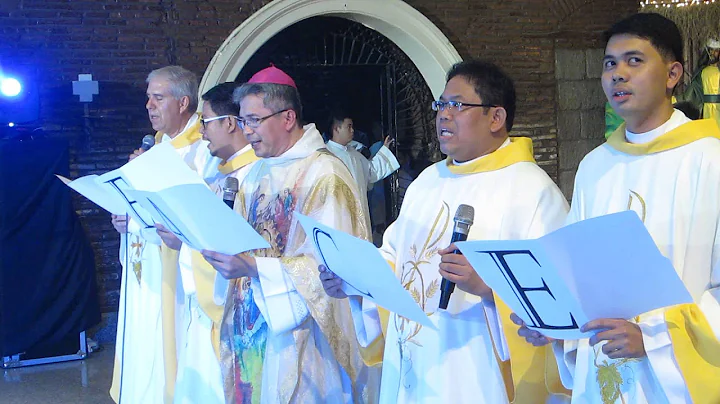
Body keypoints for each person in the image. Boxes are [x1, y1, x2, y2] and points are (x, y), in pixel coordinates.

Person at [320, 60, 570, 403]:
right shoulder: (427, 181)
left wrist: (488, 288)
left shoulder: (531, 191)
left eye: (457, 105)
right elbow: (394, 260)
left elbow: (557, 302)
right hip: (415, 365)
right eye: (440, 104)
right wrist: (354, 282)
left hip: (475, 373)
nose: (443, 115)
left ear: (496, 118)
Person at [515, 13, 720, 404]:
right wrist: (555, 321)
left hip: (676, 382)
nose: (617, 74)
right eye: (610, 63)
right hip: (602, 371)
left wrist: (655, 339)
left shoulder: (710, 160)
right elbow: (581, 271)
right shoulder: (595, 165)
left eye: (634, 60)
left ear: (673, 73)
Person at [199, 66, 378, 403]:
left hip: (305, 338)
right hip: (254, 323)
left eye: (254, 120)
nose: (246, 131)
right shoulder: (257, 172)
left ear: (287, 117)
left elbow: (332, 270)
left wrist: (254, 268)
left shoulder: (324, 174)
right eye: (243, 120)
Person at [109, 65, 221, 404]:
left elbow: (205, 215)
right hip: (146, 267)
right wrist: (123, 222)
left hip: (180, 272)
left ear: (183, 102)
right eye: (148, 99)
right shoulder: (151, 149)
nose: (149, 106)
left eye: (158, 98)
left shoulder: (203, 151)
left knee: (173, 345)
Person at [154, 82, 259, 403]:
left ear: (230, 123)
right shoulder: (223, 178)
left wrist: (186, 238)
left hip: (236, 320)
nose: (200, 132)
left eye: (206, 122)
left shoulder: (256, 178)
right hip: (205, 311)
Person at [325, 109, 400, 198]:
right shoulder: (325, 154)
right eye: (348, 127)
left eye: (352, 126)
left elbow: (371, 171)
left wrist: (385, 149)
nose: (352, 130)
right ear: (337, 129)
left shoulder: (354, 154)